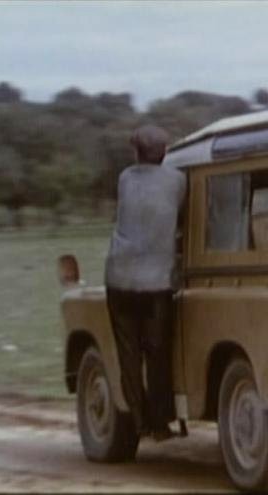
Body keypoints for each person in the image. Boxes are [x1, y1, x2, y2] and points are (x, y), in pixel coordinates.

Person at [104, 125, 186, 441]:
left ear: (136, 152)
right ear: (164, 153)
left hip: (119, 278)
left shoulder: (125, 179)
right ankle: (160, 422)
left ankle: (138, 423)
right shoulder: (178, 181)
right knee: (157, 353)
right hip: (156, 283)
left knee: (129, 355)